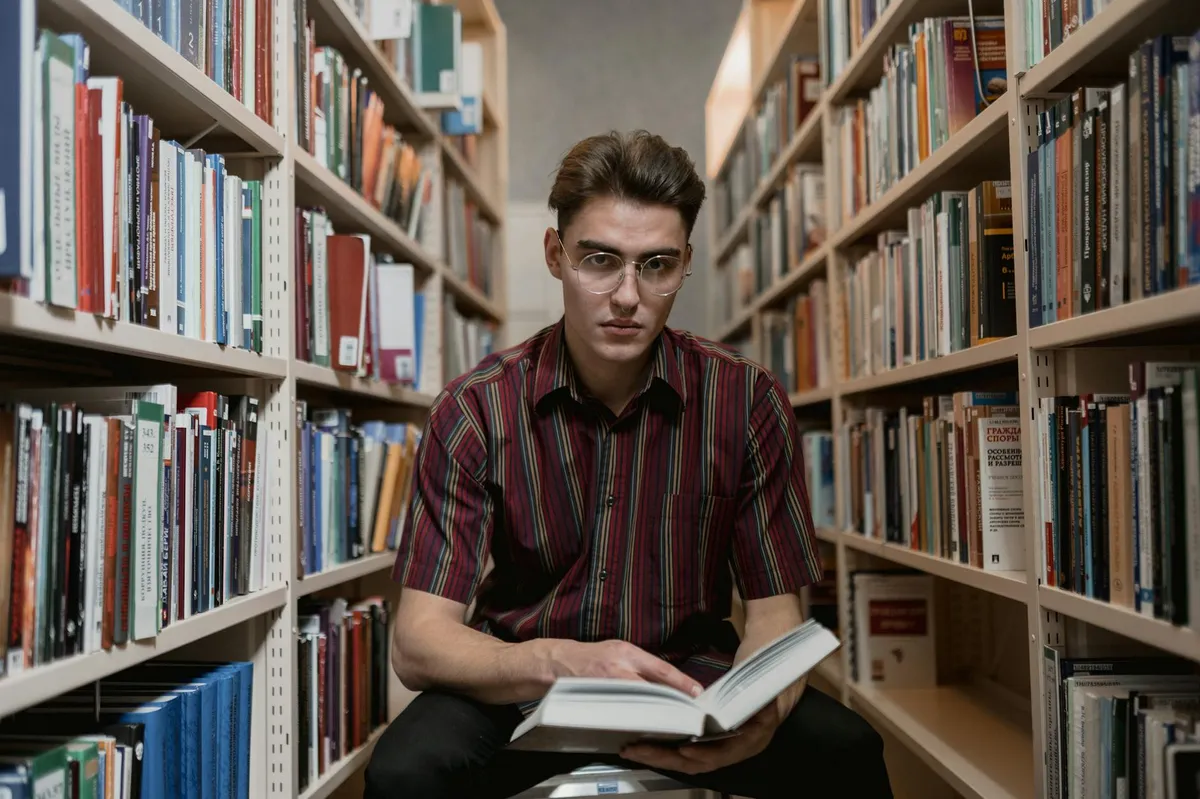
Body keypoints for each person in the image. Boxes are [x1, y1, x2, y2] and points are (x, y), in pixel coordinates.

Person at [363, 130, 892, 799]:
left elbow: (774, 613)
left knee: (849, 753)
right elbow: (417, 640)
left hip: (688, 686)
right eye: (600, 260)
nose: (626, 295)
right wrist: (561, 661)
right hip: (521, 687)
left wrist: (764, 715)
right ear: (556, 255)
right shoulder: (475, 409)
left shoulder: (746, 400)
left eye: (656, 265)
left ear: (685, 263)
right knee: (403, 771)